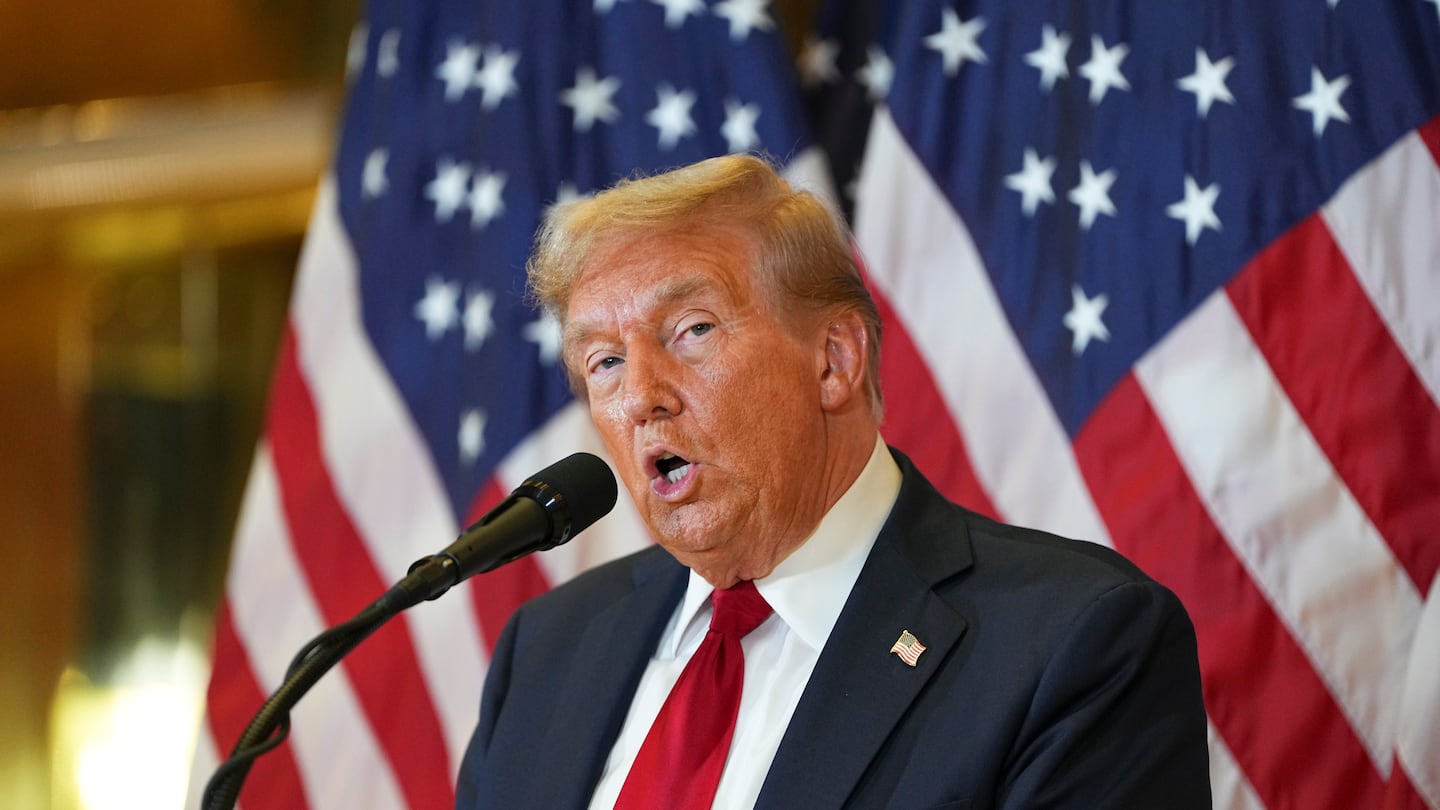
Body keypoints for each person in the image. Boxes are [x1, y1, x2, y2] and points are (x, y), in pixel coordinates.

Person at [454, 155, 1211, 809]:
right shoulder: (547, 651)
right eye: (605, 362)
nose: (643, 395)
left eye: (692, 329)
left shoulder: (1072, 643)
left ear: (834, 360)